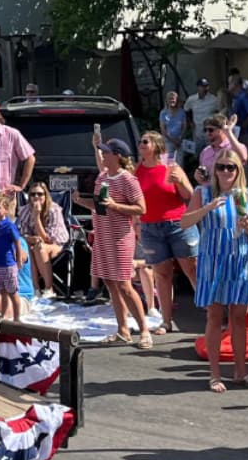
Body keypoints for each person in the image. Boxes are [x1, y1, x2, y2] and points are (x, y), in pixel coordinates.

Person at [181, 149, 248, 391]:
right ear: (214, 170)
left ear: (239, 171)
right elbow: (185, 222)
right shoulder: (203, 193)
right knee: (214, 316)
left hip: (240, 260)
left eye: (231, 167)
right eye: (221, 167)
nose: (226, 171)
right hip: (213, 261)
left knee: (239, 318)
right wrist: (207, 208)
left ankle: (240, 372)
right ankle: (214, 374)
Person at [73, 138, 152, 348]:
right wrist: (81, 200)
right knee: (110, 284)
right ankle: (123, 330)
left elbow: (141, 208)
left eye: (106, 152)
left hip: (120, 237)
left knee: (125, 284)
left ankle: (144, 330)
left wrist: (115, 205)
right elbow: (99, 205)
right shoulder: (102, 177)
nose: (102, 155)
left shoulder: (128, 179)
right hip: (103, 236)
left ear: (117, 155)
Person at [134, 131, 197, 334]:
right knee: (162, 275)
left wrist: (179, 180)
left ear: (156, 146)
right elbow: (134, 199)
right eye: (140, 141)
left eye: (145, 141)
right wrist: (136, 223)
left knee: (192, 270)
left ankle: (211, 314)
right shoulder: (138, 169)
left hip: (177, 224)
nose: (141, 144)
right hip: (150, 227)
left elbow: (189, 195)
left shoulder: (171, 167)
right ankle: (166, 321)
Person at [17, 180, 69, 298]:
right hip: (34, 244)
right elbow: (21, 234)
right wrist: (31, 239)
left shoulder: (54, 210)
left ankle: (49, 289)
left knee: (40, 248)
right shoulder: (24, 210)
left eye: (40, 194)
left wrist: (36, 217)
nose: (36, 196)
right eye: (32, 194)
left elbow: (48, 240)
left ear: (46, 196)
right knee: (27, 248)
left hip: (56, 245)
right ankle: (35, 288)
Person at [0, 188, 25, 320]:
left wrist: (19, 258)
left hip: (8, 264)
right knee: (2, 292)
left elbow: (17, 242)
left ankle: (16, 317)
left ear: (5, 209)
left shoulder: (9, 226)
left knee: (13, 292)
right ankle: (3, 315)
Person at [196, 114, 248, 182]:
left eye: (211, 130)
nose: (207, 133)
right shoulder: (205, 151)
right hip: (209, 190)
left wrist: (228, 131)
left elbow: (243, 159)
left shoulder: (234, 147)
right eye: (205, 130)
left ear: (222, 130)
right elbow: (202, 177)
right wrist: (199, 177)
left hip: (229, 191)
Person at [183, 79, 219, 156]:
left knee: (211, 154)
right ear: (198, 87)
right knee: (198, 155)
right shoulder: (191, 99)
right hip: (197, 133)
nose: (205, 88)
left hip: (210, 133)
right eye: (202, 86)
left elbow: (219, 112)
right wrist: (190, 122)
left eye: (206, 86)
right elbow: (186, 110)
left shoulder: (214, 99)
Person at [158, 91, 187, 164]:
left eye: (173, 99)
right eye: (170, 99)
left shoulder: (181, 112)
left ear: (177, 100)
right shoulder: (163, 113)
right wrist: (174, 140)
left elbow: (184, 126)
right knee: (167, 164)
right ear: (166, 101)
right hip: (167, 141)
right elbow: (163, 129)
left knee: (180, 164)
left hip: (179, 141)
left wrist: (180, 138)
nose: (172, 100)